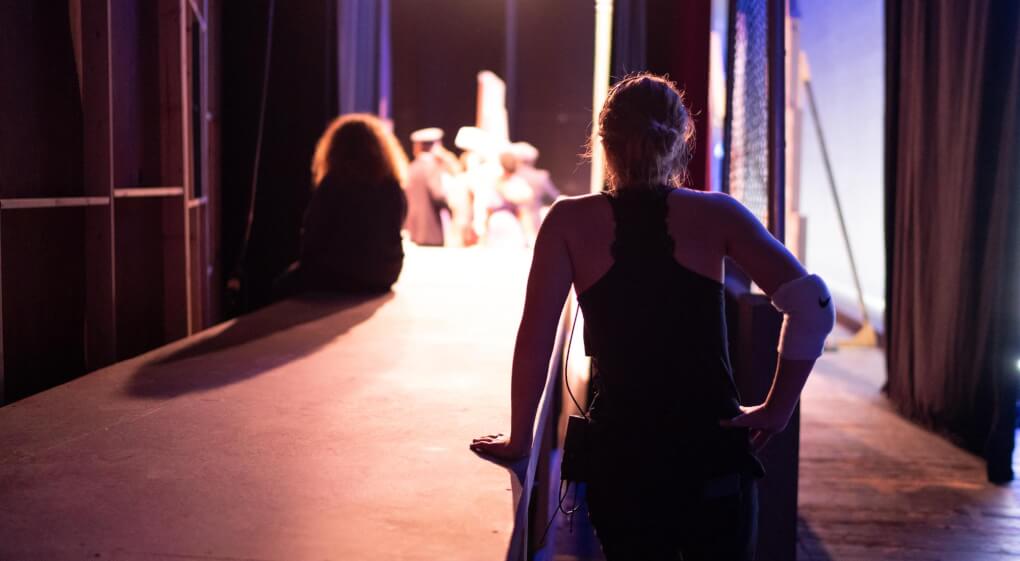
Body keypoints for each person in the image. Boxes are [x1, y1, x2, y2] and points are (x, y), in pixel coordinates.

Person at [471, 73, 835, 560]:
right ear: (681, 139)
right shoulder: (718, 215)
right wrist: (777, 407)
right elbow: (812, 306)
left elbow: (535, 339)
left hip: (625, 463)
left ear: (603, 140)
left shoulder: (567, 222)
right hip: (713, 456)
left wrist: (520, 438)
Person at [292, 113, 408, 294]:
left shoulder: (334, 183)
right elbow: (397, 224)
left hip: (342, 274)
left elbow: (313, 231)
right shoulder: (391, 185)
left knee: (278, 286)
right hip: (386, 272)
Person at [403, 127, 451, 246]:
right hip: (430, 229)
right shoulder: (432, 167)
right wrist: (451, 208)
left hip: (414, 228)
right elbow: (438, 195)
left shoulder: (412, 167)